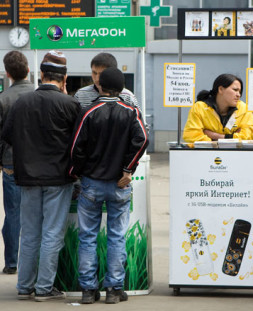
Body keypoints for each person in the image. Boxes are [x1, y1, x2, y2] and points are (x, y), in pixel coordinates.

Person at [2, 50, 80, 301]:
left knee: (30, 232)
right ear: (64, 79)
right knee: (52, 233)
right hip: (58, 178)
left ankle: (24, 287)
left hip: (27, 178)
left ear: (41, 76)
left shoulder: (23, 102)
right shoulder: (70, 104)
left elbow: (8, 136)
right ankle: (44, 289)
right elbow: (80, 142)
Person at [70, 68, 149, 304]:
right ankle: (114, 290)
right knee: (117, 237)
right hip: (120, 185)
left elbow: (76, 148)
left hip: (91, 185)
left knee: (87, 237)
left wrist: (78, 173)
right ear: (122, 88)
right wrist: (128, 169)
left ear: (100, 86)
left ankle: (88, 290)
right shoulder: (131, 112)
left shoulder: (88, 112)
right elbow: (143, 138)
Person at [0, 51, 35, 275]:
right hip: (38, 164)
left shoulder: (3, 99)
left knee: (13, 214)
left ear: (8, 73)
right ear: (28, 70)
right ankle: (33, 263)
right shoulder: (38, 95)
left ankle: (12, 263)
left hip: (11, 163)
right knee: (36, 213)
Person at [183, 73, 253, 142]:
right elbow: (190, 135)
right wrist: (232, 137)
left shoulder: (245, 109)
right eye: (235, 90)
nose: (238, 95)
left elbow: (248, 137)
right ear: (221, 89)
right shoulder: (199, 107)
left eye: (239, 92)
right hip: (207, 154)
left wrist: (214, 135)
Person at [74, 52, 139, 108]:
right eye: (94, 73)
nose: (97, 78)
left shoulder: (128, 97)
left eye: (101, 74)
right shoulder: (80, 95)